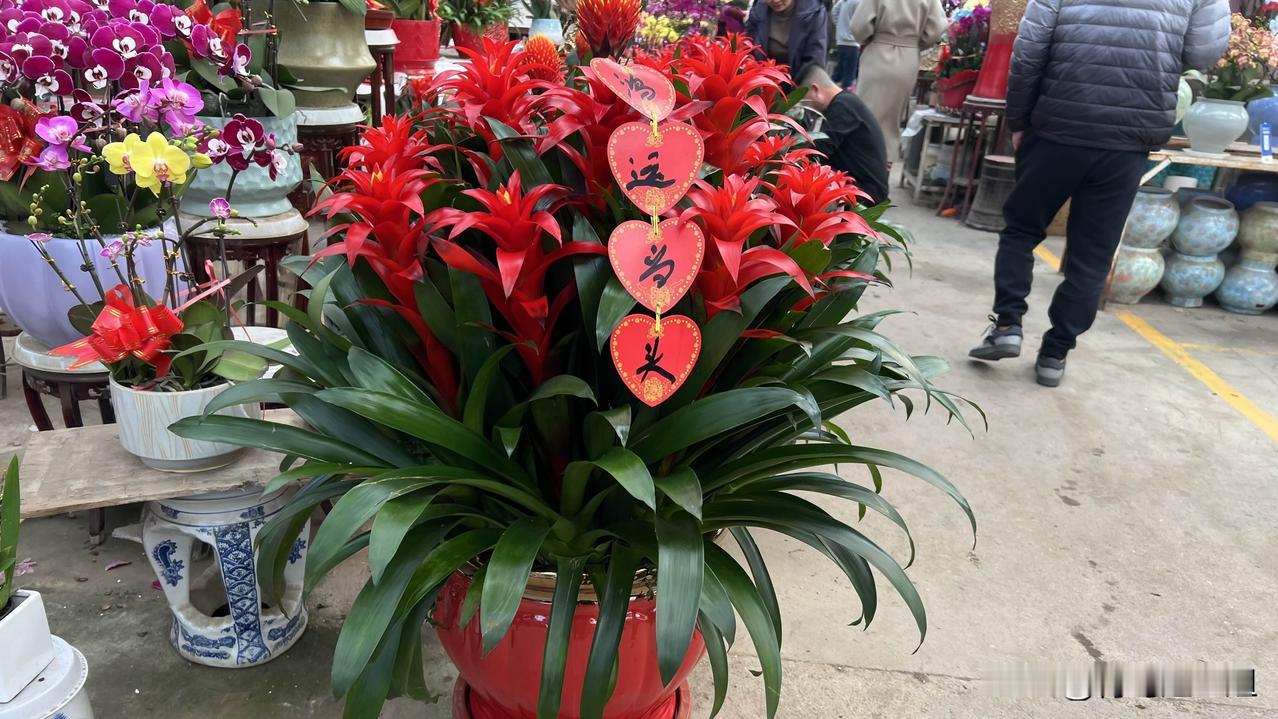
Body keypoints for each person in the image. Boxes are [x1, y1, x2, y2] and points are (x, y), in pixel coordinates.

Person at [969, 0, 1230, 387]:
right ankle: (1055, 354)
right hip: (1128, 139)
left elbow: (1029, 51)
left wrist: (1019, 121)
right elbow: (1204, 53)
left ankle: (1007, 326)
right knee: (1091, 256)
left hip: (1056, 127)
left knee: (1022, 230)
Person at [850, 0, 946, 162]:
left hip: (878, 53)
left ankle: (859, 164)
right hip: (908, 57)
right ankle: (884, 164)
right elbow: (936, 29)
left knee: (865, 116)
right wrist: (914, 43)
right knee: (891, 121)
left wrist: (871, 37)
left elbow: (859, 27)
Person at [802, 65, 889, 205]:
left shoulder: (842, 107)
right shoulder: (847, 102)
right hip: (863, 186)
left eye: (805, 101)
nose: (807, 108)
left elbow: (817, 152)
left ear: (815, 90)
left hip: (866, 193)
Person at [745, 0, 829, 75]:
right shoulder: (758, 11)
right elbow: (749, 47)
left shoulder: (814, 12)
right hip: (763, 78)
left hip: (799, 80)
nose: (776, 1)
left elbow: (815, 58)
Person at [832, 0, 862, 88]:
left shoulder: (843, 1)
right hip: (853, 42)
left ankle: (828, 89)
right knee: (849, 75)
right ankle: (845, 93)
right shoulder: (860, 2)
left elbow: (834, 12)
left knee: (839, 72)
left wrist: (840, 26)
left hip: (841, 41)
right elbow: (863, 21)